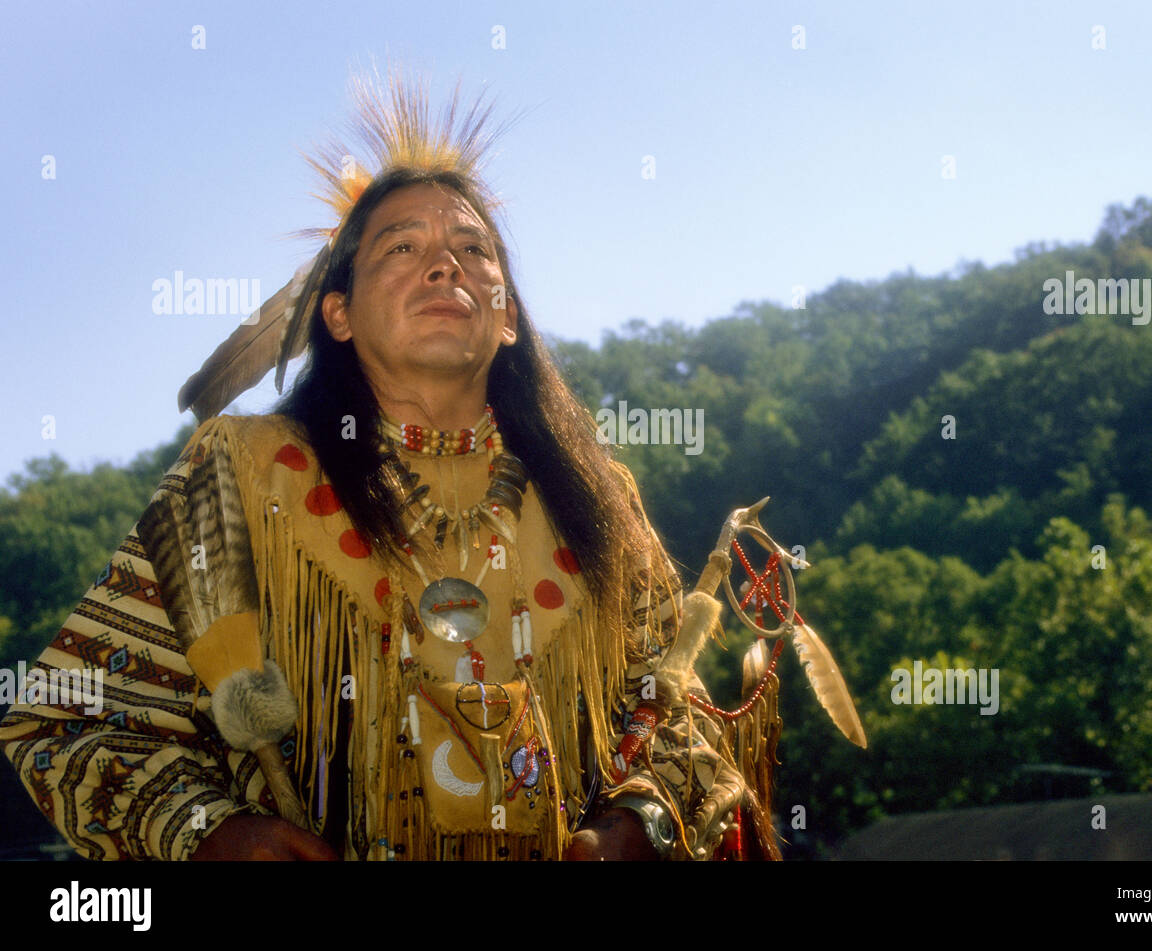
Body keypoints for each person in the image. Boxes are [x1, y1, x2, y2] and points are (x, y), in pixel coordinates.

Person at [0, 72, 772, 861]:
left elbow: (675, 721)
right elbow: (72, 717)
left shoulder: (597, 499)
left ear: (505, 315)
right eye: (403, 247)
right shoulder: (242, 473)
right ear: (338, 311)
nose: (446, 267)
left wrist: (634, 826)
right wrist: (214, 832)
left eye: (473, 249)